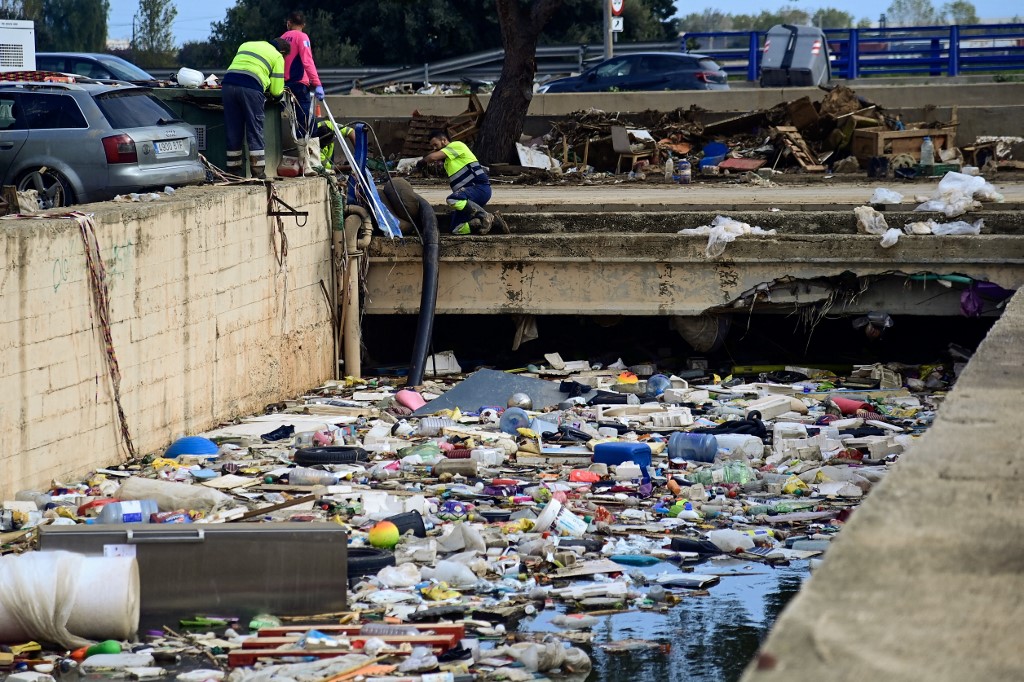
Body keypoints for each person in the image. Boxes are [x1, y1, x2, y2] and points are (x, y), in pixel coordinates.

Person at [222, 38, 289, 179]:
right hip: (251, 88)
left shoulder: (246, 44)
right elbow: (277, 91)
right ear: (283, 52)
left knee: (233, 129)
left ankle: (233, 172)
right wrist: (278, 96)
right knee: (255, 129)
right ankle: (258, 172)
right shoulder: (277, 56)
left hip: (227, 85)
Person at [421, 130, 494, 235]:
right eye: (432, 146)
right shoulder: (448, 161)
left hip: (479, 188)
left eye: (435, 145)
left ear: (444, 140)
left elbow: (432, 157)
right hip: (467, 196)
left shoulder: (456, 145)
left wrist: (421, 162)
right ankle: (489, 222)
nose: (434, 148)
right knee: (456, 229)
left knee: (452, 199)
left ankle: (484, 215)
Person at [280, 11, 323, 138]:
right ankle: (311, 155)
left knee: (294, 123)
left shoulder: (281, 38)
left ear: (289, 23)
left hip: (283, 85)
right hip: (299, 84)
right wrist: (317, 84)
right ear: (303, 24)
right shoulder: (302, 37)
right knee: (307, 123)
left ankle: (301, 152)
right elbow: (307, 61)